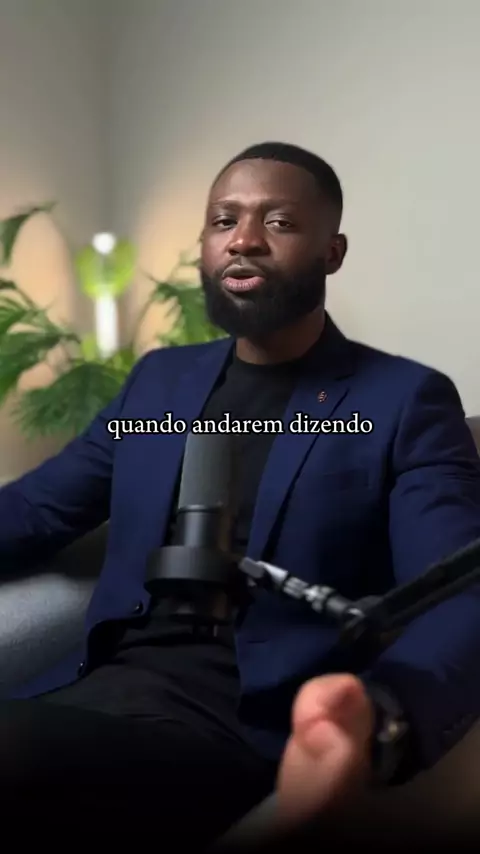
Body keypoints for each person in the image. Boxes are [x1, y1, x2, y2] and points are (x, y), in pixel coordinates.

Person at [0, 141, 480, 848]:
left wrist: (380, 716)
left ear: (332, 252)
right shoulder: (159, 381)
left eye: (278, 222)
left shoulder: (405, 400)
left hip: (237, 729)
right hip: (90, 694)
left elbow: (457, 594)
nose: (244, 239)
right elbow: (37, 509)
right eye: (224, 220)